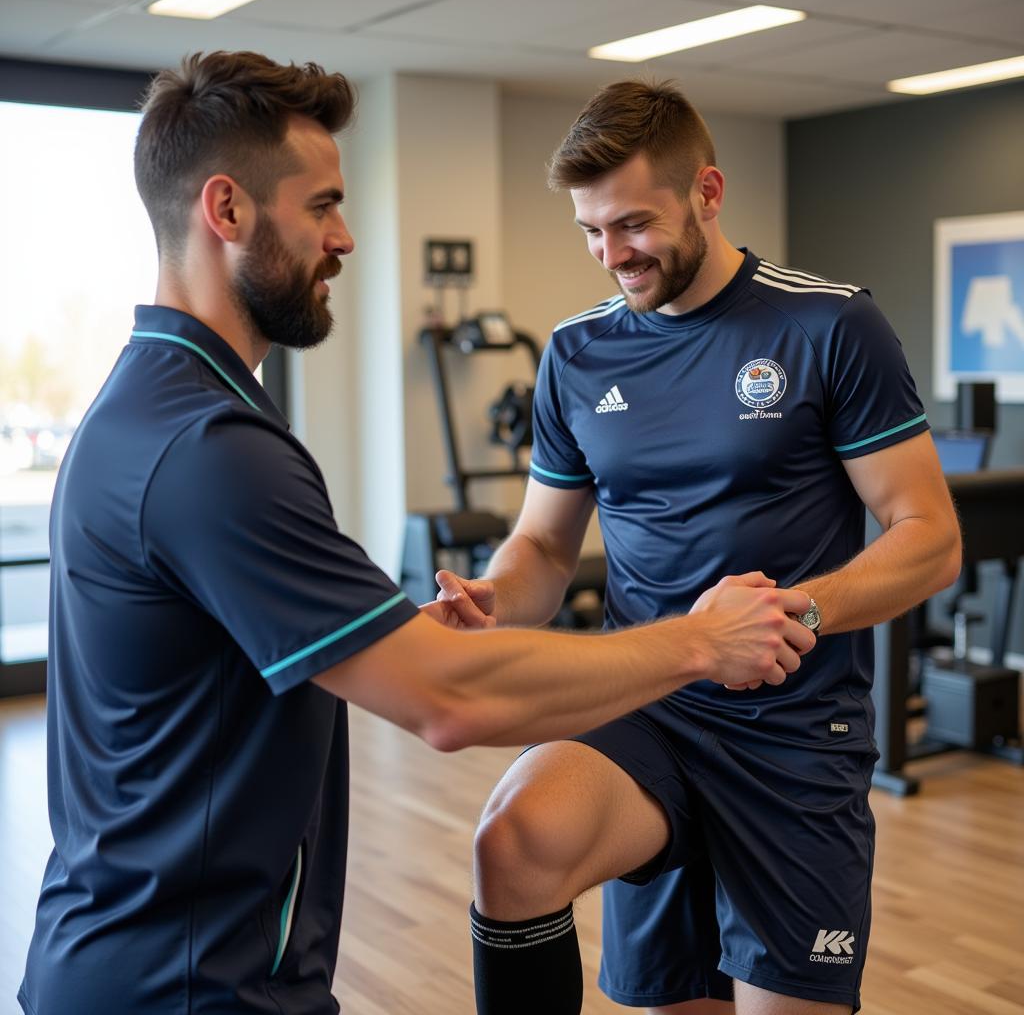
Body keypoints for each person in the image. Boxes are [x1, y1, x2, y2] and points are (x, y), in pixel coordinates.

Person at [17, 55, 816, 1015]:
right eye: (322, 206)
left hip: (145, 961)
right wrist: (698, 640)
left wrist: (402, 626)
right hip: (184, 987)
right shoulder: (208, 449)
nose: (345, 237)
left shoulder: (150, 409)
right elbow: (449, 703)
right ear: (226, 211)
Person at [437, 80, 962, 1015]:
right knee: (513, 841)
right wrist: (491, 598)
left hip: (793, 732)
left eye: (632, 225)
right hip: (649, 704)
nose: (611, 255)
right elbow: (544, 550)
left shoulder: (830, 324)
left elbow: (928, 540)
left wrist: (793, 611)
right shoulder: (576, 354)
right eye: (591, 232)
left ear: (708, 194)